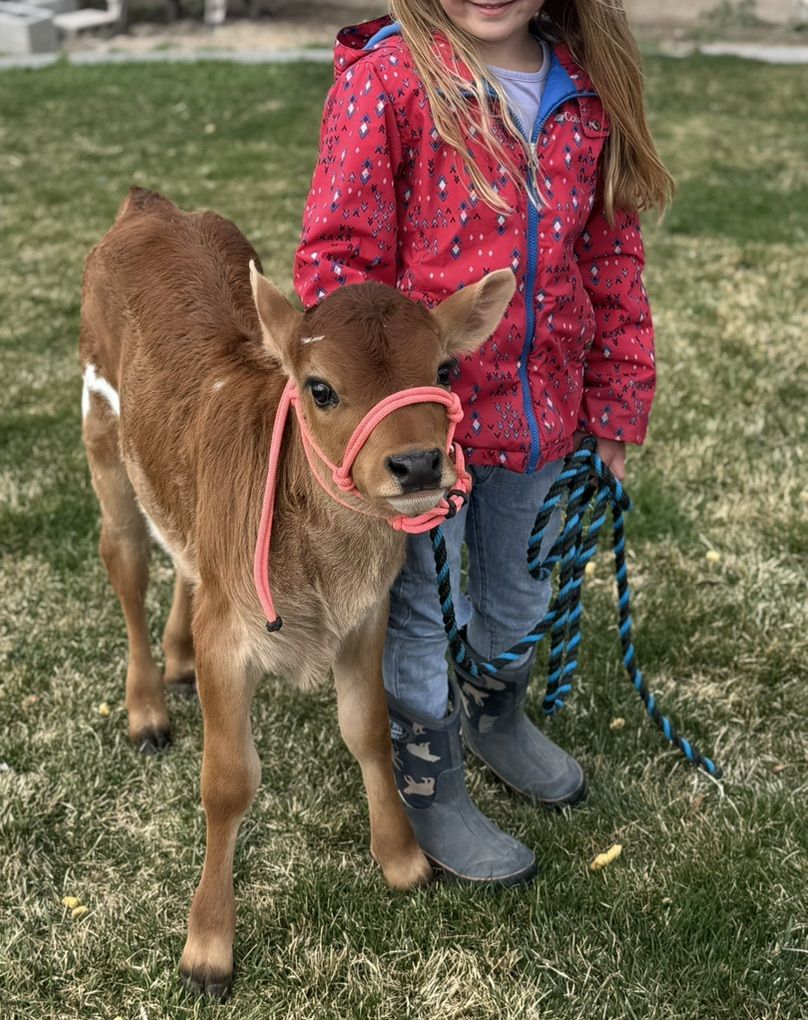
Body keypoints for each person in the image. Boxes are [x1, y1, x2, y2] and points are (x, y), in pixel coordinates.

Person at [294, 0, 672, 885]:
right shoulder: (388, 79)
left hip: (546, 417)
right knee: (421, 617)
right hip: (430, 438)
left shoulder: (586, 89)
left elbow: (611, 257)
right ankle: (430, 779)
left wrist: (614, 404)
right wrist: (377, 423)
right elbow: (338, 265)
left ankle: (496, 711)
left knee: (520, 596)